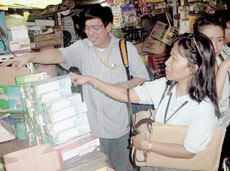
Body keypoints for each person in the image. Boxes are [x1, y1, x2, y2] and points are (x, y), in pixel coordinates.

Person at [0, 4, 150, 171]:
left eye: (95, 28)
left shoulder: (125, 48)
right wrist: (30, 57)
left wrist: (119, 87)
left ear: (108, 26)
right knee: (100, 167)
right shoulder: (82, 47)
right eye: (87, 28)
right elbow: (58, 54)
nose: (91, 33)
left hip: (121, 128)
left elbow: (142, 77)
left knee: (124, 167)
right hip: (92, 129)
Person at [68, 32, 220, 171]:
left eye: (174, 58)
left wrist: (146, 145)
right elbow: (125, 94)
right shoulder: (164, 86)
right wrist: (91, 80)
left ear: (193, 68)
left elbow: (188, 151)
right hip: (154, 163)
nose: (167, 62)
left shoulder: (204, 107)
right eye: (169, 56)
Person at [193, 13, 230, 170]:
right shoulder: (191, 65)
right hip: (202, 135)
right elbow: (211, 101)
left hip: (224, 128)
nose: (215, 46)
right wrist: (223, 68)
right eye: (208, 39)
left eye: (219, 39)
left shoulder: (224, 54)